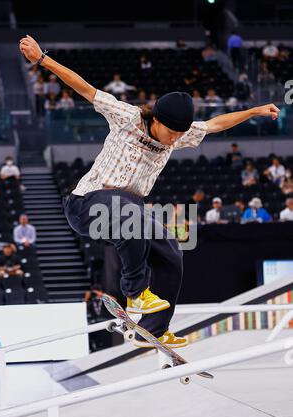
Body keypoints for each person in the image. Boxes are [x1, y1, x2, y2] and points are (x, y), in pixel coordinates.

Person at [19, 34, 280, 348]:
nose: (173, 140)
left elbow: (214, 124)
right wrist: (42, 59)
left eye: (179, 135)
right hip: (86, 203)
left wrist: (252, 112)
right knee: (130, 211)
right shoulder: (126, 116)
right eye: (170, 132)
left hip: (124, 210)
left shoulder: (180, 134)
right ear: (155, 119)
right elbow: (84, 87)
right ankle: (136, 293)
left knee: (171, 251)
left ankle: (154, 329)